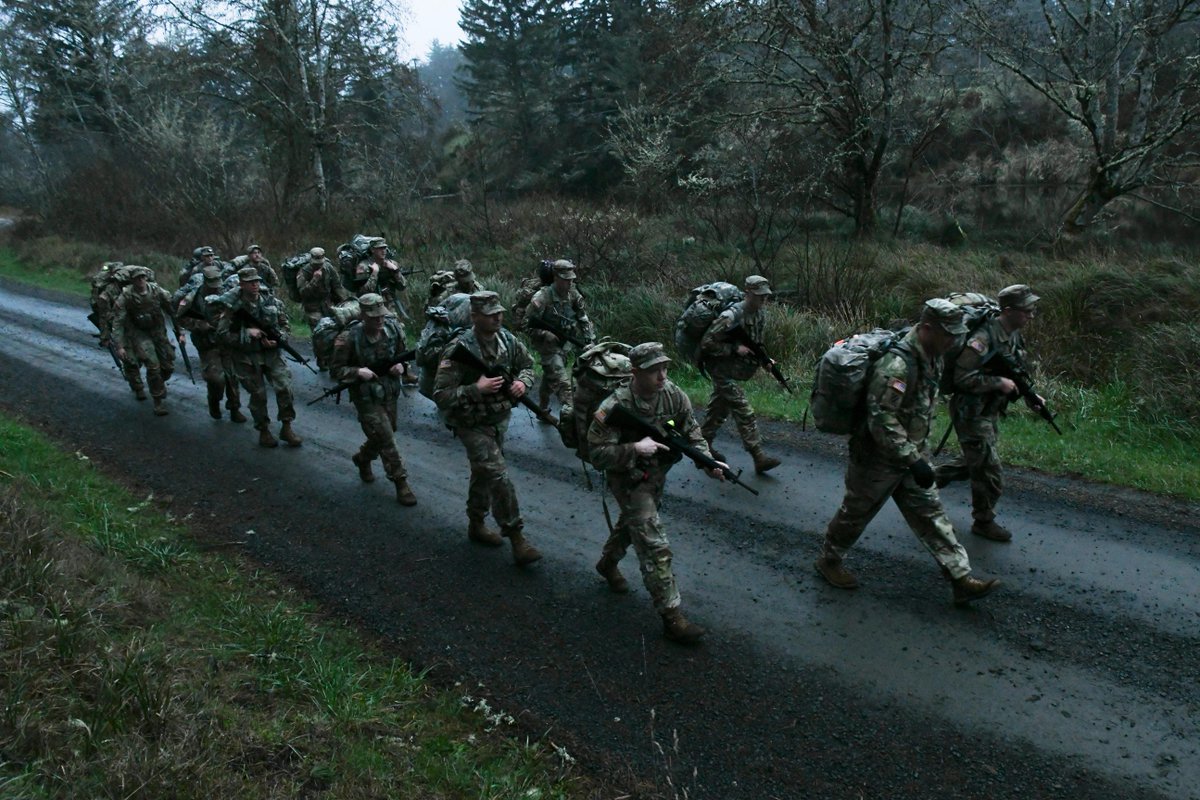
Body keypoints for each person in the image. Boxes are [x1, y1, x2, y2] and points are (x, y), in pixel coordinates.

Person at [814, 299, 1001, 606]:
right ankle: (829, 560)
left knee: (931, 514)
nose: (954, 340)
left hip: (912, 454)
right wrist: (913, 459)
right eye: (948, 334)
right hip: (877, 456)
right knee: (855, 513)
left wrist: (917, 456)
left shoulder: (933, 355)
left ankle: (960, 578)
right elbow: (881, 417)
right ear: (927, 329)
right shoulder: (897, 365)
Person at [587, 342, 727, 644]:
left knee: (634, 524)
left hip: (656, 474)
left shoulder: (673, 394)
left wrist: (708, 462)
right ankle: (672, 616)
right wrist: (633, 448)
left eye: (664, 368)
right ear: (635, 373)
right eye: (654, 371)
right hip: (628, 478)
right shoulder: (614, 406)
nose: (662, 375)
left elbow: (691, 431)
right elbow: (596, 454)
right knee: (653, 542)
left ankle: (607, 563)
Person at [433, 291, 542, 565]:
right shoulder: (459, 349)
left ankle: (476, 524)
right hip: (470, 423)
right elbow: (441, 395)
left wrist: (523, 383)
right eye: (490, 313)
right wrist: (475, 389)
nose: (497, 317)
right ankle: (517, 538)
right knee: (497, 475)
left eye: (499, 312)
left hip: (498, 420)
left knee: (483, 473)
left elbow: (529, 366)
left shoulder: (507, 339)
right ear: (474, 317)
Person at [934, 285, 1042, 542]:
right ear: (1008, 311)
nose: (1031, 315)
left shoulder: (1012, 335)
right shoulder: (982, 338)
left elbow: (1012, 371)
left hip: (989, 409)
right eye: (1026, 310)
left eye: (1032, 310)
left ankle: (924, 481)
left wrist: (1030, 396)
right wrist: (998, 384)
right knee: (989, 467)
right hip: (971, 410)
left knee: (974, 462)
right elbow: (962, 378)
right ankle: (984, 521)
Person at [329, 293, 417, 506]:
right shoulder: (349, 338)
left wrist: (402, 367)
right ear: (362, 315)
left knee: (386, 432)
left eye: (381, 316)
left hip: (389, 393)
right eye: (374, 317)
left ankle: (363, 458)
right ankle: (401, 482)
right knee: (386, 438)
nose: (379, 320)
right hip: (366, 397)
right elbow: (336, 369)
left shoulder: (392, 330)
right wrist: (358, 371)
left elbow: (404, 356)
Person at [698, 275, 782, 473]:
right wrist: (734, 349)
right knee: (742, 408)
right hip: (719, 368)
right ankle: (758, 456)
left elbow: (755, 345)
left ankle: (703, 445)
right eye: (759, 295)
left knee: (719, 408)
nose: (764, 300)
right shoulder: (731, 315)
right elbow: (706, 343)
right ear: (748, 294)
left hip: (732, 369)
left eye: (765, 296)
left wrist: (765, 361)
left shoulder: (760, 315)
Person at [217, 266, 302, 448]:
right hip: (246, 357)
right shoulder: (232, 307)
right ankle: (263, 430)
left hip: (272, 354)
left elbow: (285, 326)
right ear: (241, 285)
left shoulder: (271, 301)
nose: (255, 285)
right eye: (250, 282)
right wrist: (246, 333)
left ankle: (287, 427)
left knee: (285, 387)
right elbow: (222, 334)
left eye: (256, 281)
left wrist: (278, 339)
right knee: (258, 395)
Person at [526, 259, 595, 422]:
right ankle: (574, 421)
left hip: (565, 342)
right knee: (563, 383)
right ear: (556, 277)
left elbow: (583, 319)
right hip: (547, 346)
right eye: (565, 279)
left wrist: (590, 342)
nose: (569, 282)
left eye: (571, 279)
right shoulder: (542, 297)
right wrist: (544, 333)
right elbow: (525, 324)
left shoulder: (573, 294)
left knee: (551, 376)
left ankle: (542, 409)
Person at [111, 267, 183, 416]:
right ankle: (158, 401)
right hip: (139, 333)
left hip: (157, 331)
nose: (141, 280)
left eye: (143, 277)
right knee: (153, 365)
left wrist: (180, 331)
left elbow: (171, 310)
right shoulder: (127, 296)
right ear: (133, 281)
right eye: (137, 278)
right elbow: (118, 322)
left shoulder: (157, 291)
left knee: (168, 364)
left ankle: (157, 382)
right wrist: (120, 346)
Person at [177, 265, 245, 423]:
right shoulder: (194, 297)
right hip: (208, 342)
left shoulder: (226, 292)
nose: (216, 287)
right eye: (212, 283)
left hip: (226, 340)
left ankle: (234, 408)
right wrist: (201, 325)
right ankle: (214, 400)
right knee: (216, 379)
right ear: (205, 282)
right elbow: (181, 317)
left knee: (232, 376)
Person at [295, 246, 350, 369]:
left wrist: (346, 301)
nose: (318, 265)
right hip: (312, 307)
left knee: (335, 331)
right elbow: (303, 293)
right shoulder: (304, 272)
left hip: (328, 305)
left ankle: (333, 359)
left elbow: (337, 285)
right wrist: (315, 279)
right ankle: (321, 359)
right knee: (319, 334)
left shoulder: (329, 268)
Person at [354, 238, 409, 318]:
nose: (383, 251)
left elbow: (402, 287)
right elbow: (363, 293)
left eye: (384, 248)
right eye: (380, 248)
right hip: (370, 308)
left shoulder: (392, 264)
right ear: (372, 250)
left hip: (390, 305)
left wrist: (396, 271)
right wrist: (374, 273)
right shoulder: (363, 267)